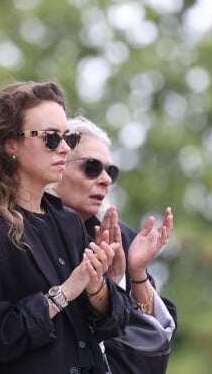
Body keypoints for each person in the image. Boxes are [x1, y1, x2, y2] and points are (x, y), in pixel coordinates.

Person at [0, 81, 132, 374]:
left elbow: (113, 325)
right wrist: (65, 292)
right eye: (51, 138)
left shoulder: (69, 224)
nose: (65, 148)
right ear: (10, 144)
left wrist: (97, 287)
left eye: (67, 137)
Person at [53, 116, 177, 371]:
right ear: (56, 166)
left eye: (110, 171)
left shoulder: (122, 237)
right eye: (92, 167)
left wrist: (137, 273)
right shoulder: (27, 232)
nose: (106, 180)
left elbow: (153, 343)